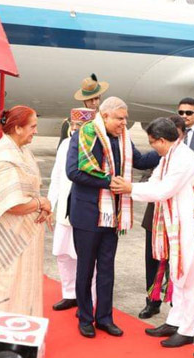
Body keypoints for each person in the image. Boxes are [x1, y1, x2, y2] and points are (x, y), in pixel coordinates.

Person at [111, 117, 194, 347]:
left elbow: (163, 190)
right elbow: (155, 180)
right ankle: (174, 321)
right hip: (175, 224)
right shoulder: (169, 157)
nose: (152, 146)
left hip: (191, 226)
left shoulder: (183, 159)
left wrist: (130, 188)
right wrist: (130, 187)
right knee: (176, 275)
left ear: (163, 140)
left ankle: (187, 329)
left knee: (188, 278)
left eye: (153, 142)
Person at [66, 97, 159, 338]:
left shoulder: (123, 138)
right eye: (120, 118)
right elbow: (73, 172)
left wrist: (163, 150)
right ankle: (85, 317)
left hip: (113, 215)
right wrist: (109, 182)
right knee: (85, 269)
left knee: (107, 268)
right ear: (105, 116)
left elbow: (138, 161)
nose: (124, 122)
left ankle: (104, 317)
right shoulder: (86, 134)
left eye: (125, 118)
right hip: (87, 214)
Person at [0, 105, 52, 328]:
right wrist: (41, 203)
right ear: (17, 128)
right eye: (32, 126)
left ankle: (20, 328)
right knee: (6, 281)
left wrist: (41, 204)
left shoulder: (22, 150)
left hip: (25, 231)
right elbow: (11, 205)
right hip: (8, 234)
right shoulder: (6, 156)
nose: (35, 131)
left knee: (23, 280)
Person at [138, 114, 187, 320]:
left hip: (176, 220)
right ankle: (153, 300)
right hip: (156, 216)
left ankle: (177, 305)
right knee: (153, 260)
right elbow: (143, 165)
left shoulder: (185, 157)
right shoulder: (162, 155)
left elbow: (164, 189)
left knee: (176, 263)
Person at [48, 108, 97, 312]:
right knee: (62, 253)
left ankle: (88, 299)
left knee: (85, 258)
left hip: (85, 210)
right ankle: (69, 294)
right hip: (64, 210)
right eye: (73, 125)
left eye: (80, 126)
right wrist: (50, 205)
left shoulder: (96, 146)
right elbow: (56, 177)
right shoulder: (66, 144)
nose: (75, 129)